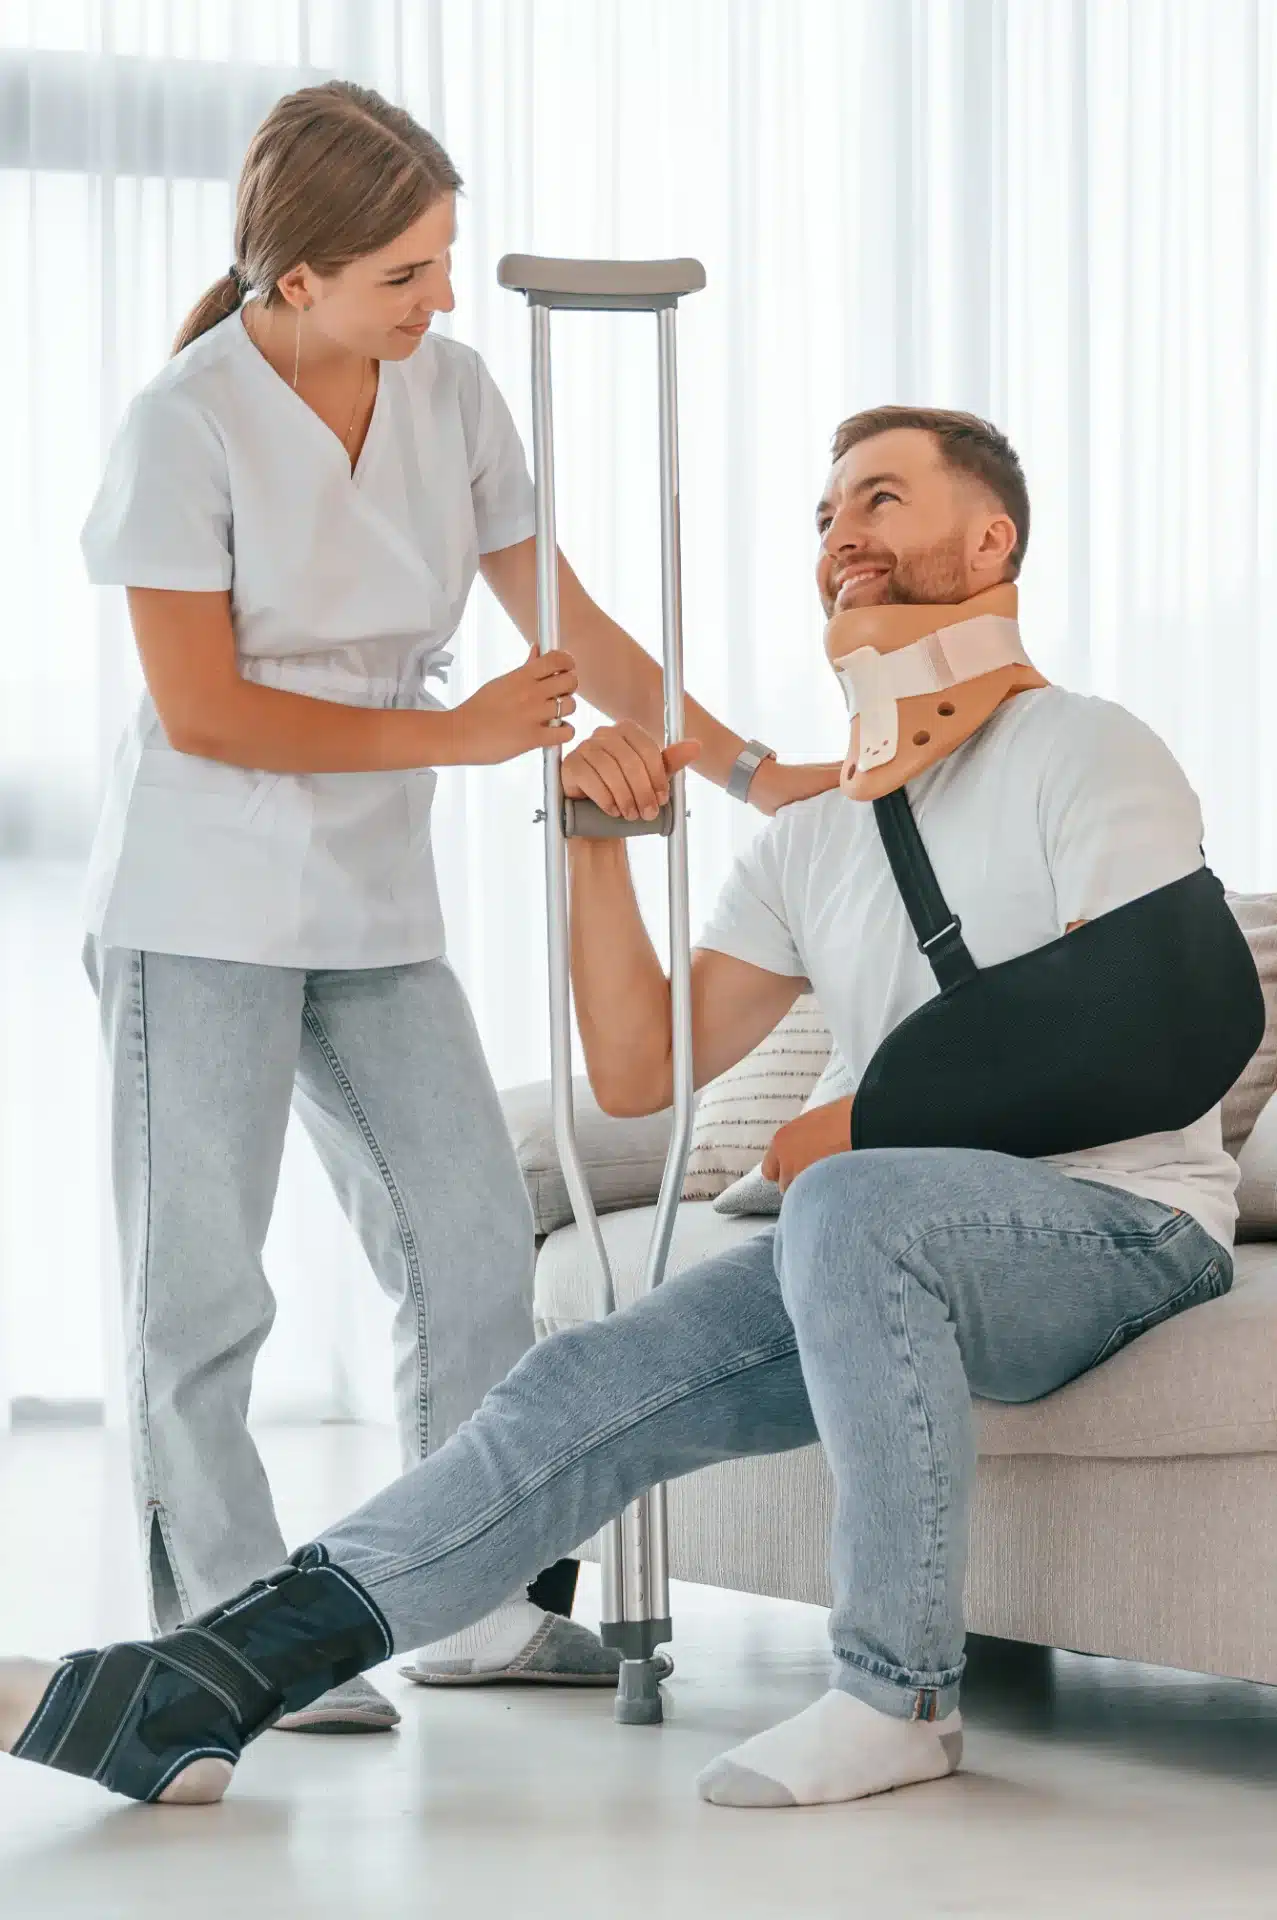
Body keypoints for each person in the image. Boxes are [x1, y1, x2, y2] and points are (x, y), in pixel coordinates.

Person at [1, 406, 1238, 1807]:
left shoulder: (1088, 749)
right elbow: (648, 1069)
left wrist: (876, 1120)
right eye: (826, 516)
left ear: (991, 539)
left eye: (881, 501)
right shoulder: (816, 834)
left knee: (846, 1195)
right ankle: (200, 1688)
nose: (842, 538)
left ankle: (900, 1694)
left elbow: (1170, 1023)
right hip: (889, 1244)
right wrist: (600, 842)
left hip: (1122, 1227)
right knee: (580, 1379)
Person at [74, 80, 836, 1734]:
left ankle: (473, 1607)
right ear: (298, 282)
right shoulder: (184, 422)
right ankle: (228, 1633)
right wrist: (454, 733)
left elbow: (577, 623)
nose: (442, 297)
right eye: (407, 273)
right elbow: (202, 710)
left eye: (445, 259)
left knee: (472, 1235)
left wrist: (757, 772)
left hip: (369, 899)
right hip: (197, 889)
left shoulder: (457, 392)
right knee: (200, 1288)